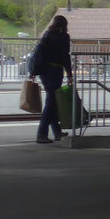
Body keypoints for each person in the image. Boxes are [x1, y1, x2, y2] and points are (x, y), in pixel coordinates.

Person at [32, 15, 73, 144]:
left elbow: (39, 54)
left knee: (53, 102)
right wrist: (69, 74)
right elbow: (65, 57)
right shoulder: (64, 37)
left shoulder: (47, 34)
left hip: (44, 72)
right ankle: (41, 134)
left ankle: (57, 132)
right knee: (51, 104)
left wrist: (33, 72)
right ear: (64, 25)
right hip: (55, 72)